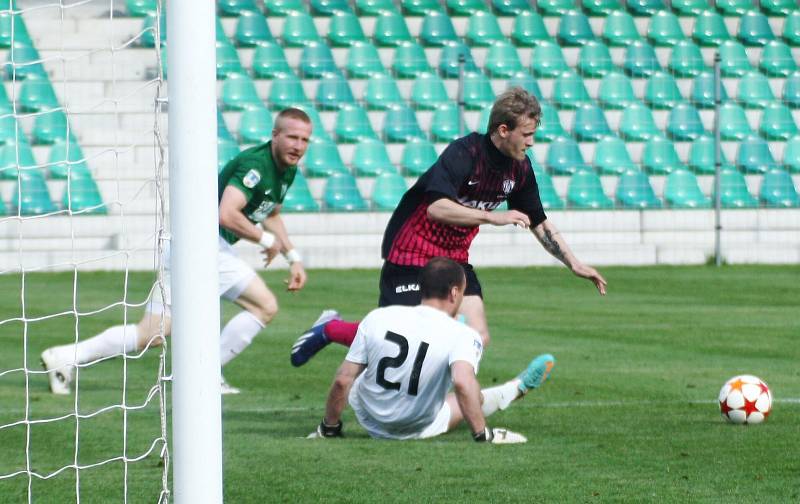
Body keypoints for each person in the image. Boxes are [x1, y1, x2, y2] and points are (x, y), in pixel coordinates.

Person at [291, 87, 606, 367]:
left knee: (477, 335)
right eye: (526, 134)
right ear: (504, 129)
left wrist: (574, 263)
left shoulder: (519, 168)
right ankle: (330, 328)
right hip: (411, 253)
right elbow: (436, 208)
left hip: (454, 259)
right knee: (393, 338)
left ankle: (443, 402)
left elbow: (537, 219)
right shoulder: (466, 153)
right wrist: (492, 217)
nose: (532, 142)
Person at [42, 107, 313, 395]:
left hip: (198, 246)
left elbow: (270, 213)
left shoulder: (287, 169)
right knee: (264, 306)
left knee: (152, 333)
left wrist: (292, 257)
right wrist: (266, 241)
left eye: (305, 140)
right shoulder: (256, 166)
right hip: (202, 245)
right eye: (292, 137)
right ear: (275, 135)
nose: (298, 146)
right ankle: (206, 376)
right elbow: (226, 214)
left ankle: (65, 357)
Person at [309, 257, 554, 443]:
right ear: (455, 292)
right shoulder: (464, 335)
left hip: (368, 415)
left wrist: (328, 428)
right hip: (416, 426)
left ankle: (510, 391)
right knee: (470, 395)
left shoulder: (378, 317)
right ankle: (510, 391)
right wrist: (483, 435)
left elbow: (343, 381)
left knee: (369, 367)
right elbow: (462, 384)